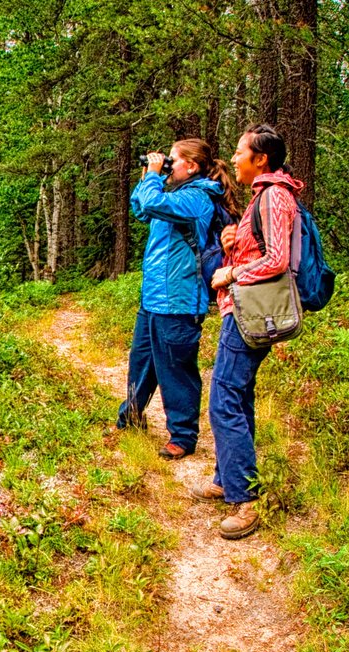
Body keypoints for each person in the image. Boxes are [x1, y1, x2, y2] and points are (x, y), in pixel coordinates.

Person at [192, 123, 305, 539]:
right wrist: (232, 240)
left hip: (251, 313)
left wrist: (230, 272)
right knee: (237, 396)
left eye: (241, 152)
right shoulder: (266, 195)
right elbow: (262, 247)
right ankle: (228, 479)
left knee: (223, 399)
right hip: (243, 311)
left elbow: (275, 260)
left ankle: (245, 500)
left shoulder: (274, 195)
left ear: (261, 159)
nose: (234, 158)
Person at [118, 139, 240, 460]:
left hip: (181, 298)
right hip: (155, 297)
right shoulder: (170, 195)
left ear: (193, 166)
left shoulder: (198, 198)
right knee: (141, 362)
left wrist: (155, 176)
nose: (168, 165)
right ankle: (130, 416)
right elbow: (141, 208)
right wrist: (149, 174)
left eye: (173, 160)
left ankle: (183, 436)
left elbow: (153, 203)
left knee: (176, 368)